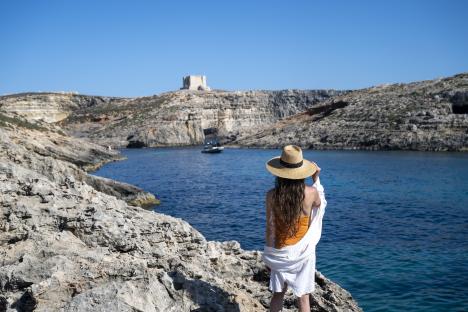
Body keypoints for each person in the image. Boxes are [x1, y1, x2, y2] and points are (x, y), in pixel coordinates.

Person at [262, 145, 327, 312]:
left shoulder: (271, 195)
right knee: (303, 298)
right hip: (303, 254)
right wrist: (316, 179)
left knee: (278, 295)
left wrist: (270, 254)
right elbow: (320, 206)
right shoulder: (311, 193)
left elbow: (270, 228)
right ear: (301, 171)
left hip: (280, 252)